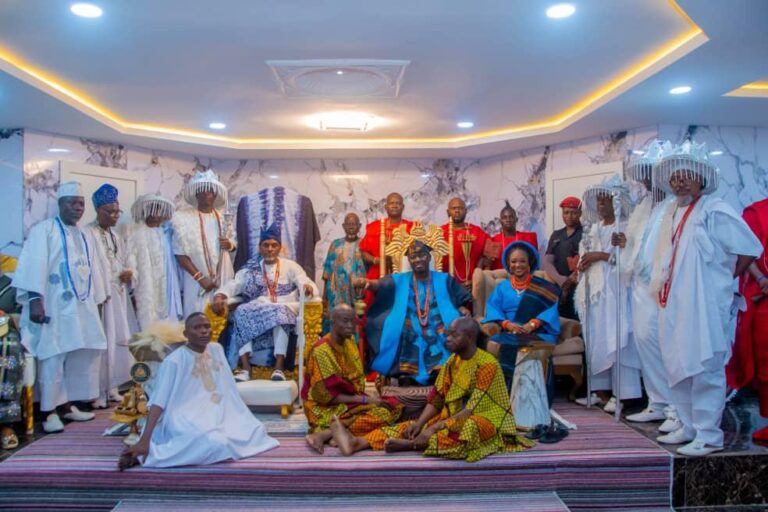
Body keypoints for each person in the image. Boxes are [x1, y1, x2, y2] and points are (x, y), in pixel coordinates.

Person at [650, 142, 761, 456]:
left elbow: (750, 248)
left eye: (686, 176)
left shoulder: (715, 208)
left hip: (705, 306)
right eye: (675, 178)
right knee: (676, 364)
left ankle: (709, 435)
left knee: (704, 367)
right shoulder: (672, 212)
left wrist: (723, 280)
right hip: (673, 302)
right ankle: (688, 426)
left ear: (701, 178)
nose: (680, 182)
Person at [329, 317, 535, 462]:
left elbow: (472, 410)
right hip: (454, 416)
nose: (447, 340)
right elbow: (437, 398)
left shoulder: (487, 364)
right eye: (447, 335)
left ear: (470, 336)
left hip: (487, 419)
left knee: (467, 430)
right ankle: (358, 443)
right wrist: (421, 424)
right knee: (409, 426)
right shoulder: (452, 362)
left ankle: (411, 445)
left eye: (453, 335)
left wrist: (433, 429)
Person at [117, 313, 279, 469]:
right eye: (197, 328)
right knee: (215, 443)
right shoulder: (174, 361)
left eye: (207, 326)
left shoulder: (216, 349)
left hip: (218, 411)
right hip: (183, 416)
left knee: (255, 430)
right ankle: (149, 454)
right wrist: (145, 439)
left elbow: (227, 386)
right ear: (186, 334)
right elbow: (158, 401)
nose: (204, 331)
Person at [13, 181, 107, 433]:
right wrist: (35, 300)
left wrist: (98, 298)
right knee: (53, 355)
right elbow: (34, 264)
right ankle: (48, 412)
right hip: (52, 306)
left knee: (76, 354)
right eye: (72, 203)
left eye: (81, 204)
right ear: (60, 204)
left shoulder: (85, 234)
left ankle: (66, 405)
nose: (78, 208)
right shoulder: (44, 230)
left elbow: (94, 267)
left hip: (80, 306)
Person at [615, 142, 680, 433]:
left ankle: (678, 408)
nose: (645, 179)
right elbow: (637, 244)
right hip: (639, 284)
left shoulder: (674, 204)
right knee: (644, 341)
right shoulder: (644, 205)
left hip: (664, 284)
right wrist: (623, 244)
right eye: (642, 174)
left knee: (667, 345)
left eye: (649, 172)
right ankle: (658, 402)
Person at [213, 224, 318, 381]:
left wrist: (307, 287)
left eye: (274, 245)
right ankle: (246, 369)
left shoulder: (290, 266)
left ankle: (279, 367)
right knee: (241, 311)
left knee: (281, 313)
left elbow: (303, 280)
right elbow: (235, 284)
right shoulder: (251, 268)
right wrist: (220, 294)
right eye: (266, 245)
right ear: (260, 248)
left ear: (279, 248)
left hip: (284, 306)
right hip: (259, 308)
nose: (270, 249)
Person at [363, 239, 472, 385]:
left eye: (422, 255)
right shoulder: (400, 279)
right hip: (409, 317)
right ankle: (407, 373)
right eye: (413, 257)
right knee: (403, 329)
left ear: (429, 257)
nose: (418, 259)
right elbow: (381, 284)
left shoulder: (444, 278)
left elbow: (457, 296)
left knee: (444, 329)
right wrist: (367, 283)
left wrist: (462, 307)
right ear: (409, 260)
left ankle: (443, 370)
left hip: (436, 318)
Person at [575, 177, 642, 413]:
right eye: (599, 201)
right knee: (597, 340)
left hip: (616, 290)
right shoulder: (592, 229)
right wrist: (583, 263)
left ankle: (622, 394)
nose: (601, 205)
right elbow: (584, 257)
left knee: (617, 337)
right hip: (595, 292)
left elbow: (630, 262)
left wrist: (602, 256)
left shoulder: (625, 227)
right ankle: (599, 391)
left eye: (606, 200)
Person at [303, 305, 402, 454]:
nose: (350, 326)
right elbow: (328, 397)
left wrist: (367, 399)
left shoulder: (349, 341)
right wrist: (366, 400)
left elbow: (355, 380)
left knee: (392, 408)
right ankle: (328, 432)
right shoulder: (322, 351)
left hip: (349, 401)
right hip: (324, 407)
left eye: (353, 321)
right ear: (332, 322)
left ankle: (331, 434)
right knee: (381, 413)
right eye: (345, 321)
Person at [482, 241, 560, 388]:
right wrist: (507, 325)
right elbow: (493, 309)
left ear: (529, 263)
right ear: (508, 264)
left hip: (538, 331)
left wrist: (532, 324)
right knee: (502, 343)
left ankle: (533, 393)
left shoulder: (543, 287)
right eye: (514, 261)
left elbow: (551, 310)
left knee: (525, 345)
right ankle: (508, 392)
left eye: (522, 261)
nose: (518, 265)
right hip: (511, 331)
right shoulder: (502, 287)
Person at [86, 184, 135, 407]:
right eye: (110, 212)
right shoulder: (88, 234)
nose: (115, 216)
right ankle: (97, 393)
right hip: (100, 297)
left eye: (117, 212)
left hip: (118, 295)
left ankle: (113, 387)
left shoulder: (116, 235)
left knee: (117, 340)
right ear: (98, 210)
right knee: (101, 343)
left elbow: (122, 261)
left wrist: (128, 274)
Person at [728, 197, 768, 444]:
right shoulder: (757, 212)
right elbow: (747, 250)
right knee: (765, 359)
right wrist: (762, 280)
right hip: (764, 296)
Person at [172, 170, 236, 318]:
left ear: (215, 194)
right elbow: (180, 254)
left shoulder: (223, 218)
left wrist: (230, 245)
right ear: (196, 194)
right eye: (202, 190)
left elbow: (233, 242)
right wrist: (200, 278)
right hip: (195, 281)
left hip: (221, 278)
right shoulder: (182, 219)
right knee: (196, 320)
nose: (206, 193)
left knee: (221, 319)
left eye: (210, 190)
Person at [125, 194, 183, 331]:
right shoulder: (136, 233)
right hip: (148, 279)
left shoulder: (168, 232)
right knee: (149, 311)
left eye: (159, 210)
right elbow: (130, 257)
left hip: (168, 280)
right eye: (152, 209)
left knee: (169, 316)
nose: (156, 214)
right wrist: (131, 275)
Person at [321, 213, 366, 332]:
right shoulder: (335, 244)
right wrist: (324, 297)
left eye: (354, 224)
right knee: (335, 321)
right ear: (343, 226)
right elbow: (327, 272)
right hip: (336, 293)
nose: (351, 227)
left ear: (359, 226)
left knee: (355, 323)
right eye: (348, 224)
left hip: (357, 293)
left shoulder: (364, 244)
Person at [542, 197, 583, 320]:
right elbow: (547, 262)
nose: (569, 216)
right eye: (566, 212)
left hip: (578, 287)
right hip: (557, 286)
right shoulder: (556, 234)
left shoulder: (586, 233)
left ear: (580, 213)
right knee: (558, 322)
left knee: (576, 323)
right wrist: (561, 280)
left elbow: (587, 261)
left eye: (573, 212)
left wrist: (570, 280)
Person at [359, 193, 413, 280]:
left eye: (398, 203)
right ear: (386, 207)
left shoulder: (411, 227)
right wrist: (376, 260)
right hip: (377, 274)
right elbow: (364, 252)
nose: (394, 206)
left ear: (403, 207)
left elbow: (418, 252)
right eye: (391, 203)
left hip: (404, 275)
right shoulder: (374, 227)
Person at [441, 197, 490, 291]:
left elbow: (489, 258)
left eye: (460, 208)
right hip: (447, 288)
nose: (457, 211)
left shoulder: (477, 231)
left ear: (466, 211)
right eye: (454, 208)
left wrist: (477, 279)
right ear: (448, 212)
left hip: (474, 287)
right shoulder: (439, 232)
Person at [489, 201, 539, 270]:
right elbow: (489, 266)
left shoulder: (528, 238)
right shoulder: (494, 241)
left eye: (511, 217)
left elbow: (535, 264)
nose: (508, 220)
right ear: (500, 221)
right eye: (504, 217)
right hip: (500, 276)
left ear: (516, 219)